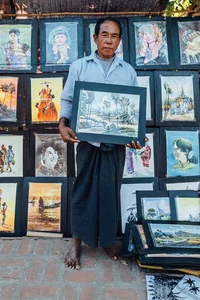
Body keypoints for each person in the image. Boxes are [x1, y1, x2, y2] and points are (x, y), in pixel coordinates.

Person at [59, 18, 144, 270]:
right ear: (95, 38)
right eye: (104, 34)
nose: (109, 40)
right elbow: (68, 100)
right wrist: (62, 125)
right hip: (87, 140)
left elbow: (133, 109)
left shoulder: (127, 71)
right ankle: (76, 241)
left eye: (114, 36)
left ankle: (107, 240)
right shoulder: (80, 66)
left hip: (114, 144)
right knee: (83, 189)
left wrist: (136, 134)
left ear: (120, 41)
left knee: (109, 191)